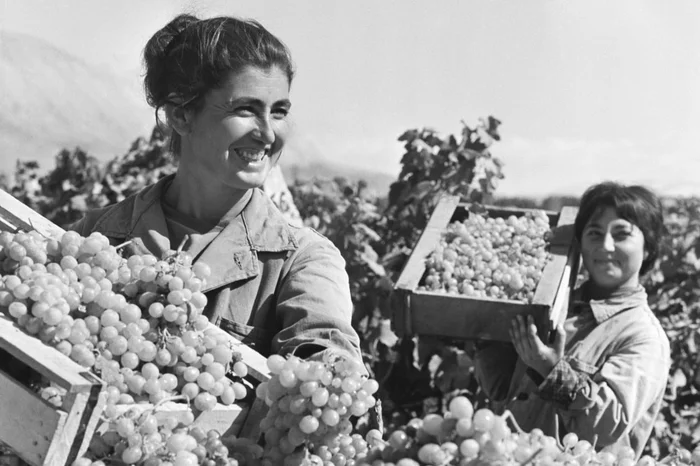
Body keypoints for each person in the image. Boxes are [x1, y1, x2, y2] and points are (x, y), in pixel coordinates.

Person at [70, 13, 364, 367]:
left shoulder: (302, 260)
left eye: (279, 112)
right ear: (181, 115)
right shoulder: (95, 237)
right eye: (246, 109)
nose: (268, 133)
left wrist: (326, 370)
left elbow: (323, 347)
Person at [472, 181, 671, 458]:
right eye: (594, 233)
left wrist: (552, 370)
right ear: (580, 243)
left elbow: (607, 425)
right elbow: (502, 390)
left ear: (648, 248)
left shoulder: (642, 335)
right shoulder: (553, 305)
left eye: (621, 234)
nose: (606, 245)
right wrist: (480, 333)